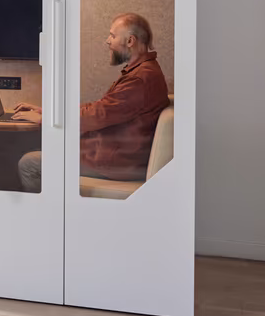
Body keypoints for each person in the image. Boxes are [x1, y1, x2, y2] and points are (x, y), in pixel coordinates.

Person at [14, 12, 170, 192]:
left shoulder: (140, 79)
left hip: (116, 165)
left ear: (130, 41)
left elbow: (95, 115)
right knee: (45, 151)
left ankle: (49, 218)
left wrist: (44, 119)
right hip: (118, 158)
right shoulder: (142, 72)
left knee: (29, 163)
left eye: (112, 35)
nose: (107, 41)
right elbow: (100, 107)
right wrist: (46, 111)